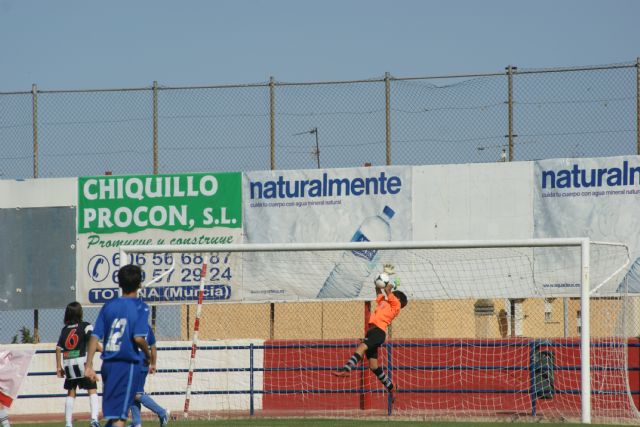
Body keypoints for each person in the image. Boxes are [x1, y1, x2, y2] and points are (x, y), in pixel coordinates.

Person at [85, 264, 151, 427]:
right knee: (120, 418)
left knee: (114, 416)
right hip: (126, 365)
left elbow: (95, 336)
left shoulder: (109, 306)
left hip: (108, 365)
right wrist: (148, 354)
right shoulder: (141, 307)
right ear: (140, 284)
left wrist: (88, 365)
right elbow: (138, 338)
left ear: (119, 284)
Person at [332, 275, 408, 402]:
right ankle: (391, 386)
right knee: (373, 366)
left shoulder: (396, 304)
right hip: (371, 332)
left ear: (397, 298)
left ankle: (346, 369)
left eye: (394, 294)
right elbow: (379, 292)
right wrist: (377, 282)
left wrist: (390, 283)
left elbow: (388, 290)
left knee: (361, 347)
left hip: (379, 332)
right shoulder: (384, 301)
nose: (391, 295)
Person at [55, 302, 102, 427]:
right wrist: (103, 350)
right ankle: (94, 419)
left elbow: (58, 348)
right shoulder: (85, 326)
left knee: (71, 392)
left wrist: (59, 367)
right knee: (92, 390)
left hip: (68, 363)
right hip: (83, 363)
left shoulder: (64, 330)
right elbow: (93, 340)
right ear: (80, 312)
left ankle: (68, 423)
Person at [128, 324, 169, 427]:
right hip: (143, 363)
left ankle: (162, 412)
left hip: (135, 363)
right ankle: (136, 423)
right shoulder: (146, 327)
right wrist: (153, 363)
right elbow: (153, 347)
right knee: (133, 394)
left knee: (136, 394)